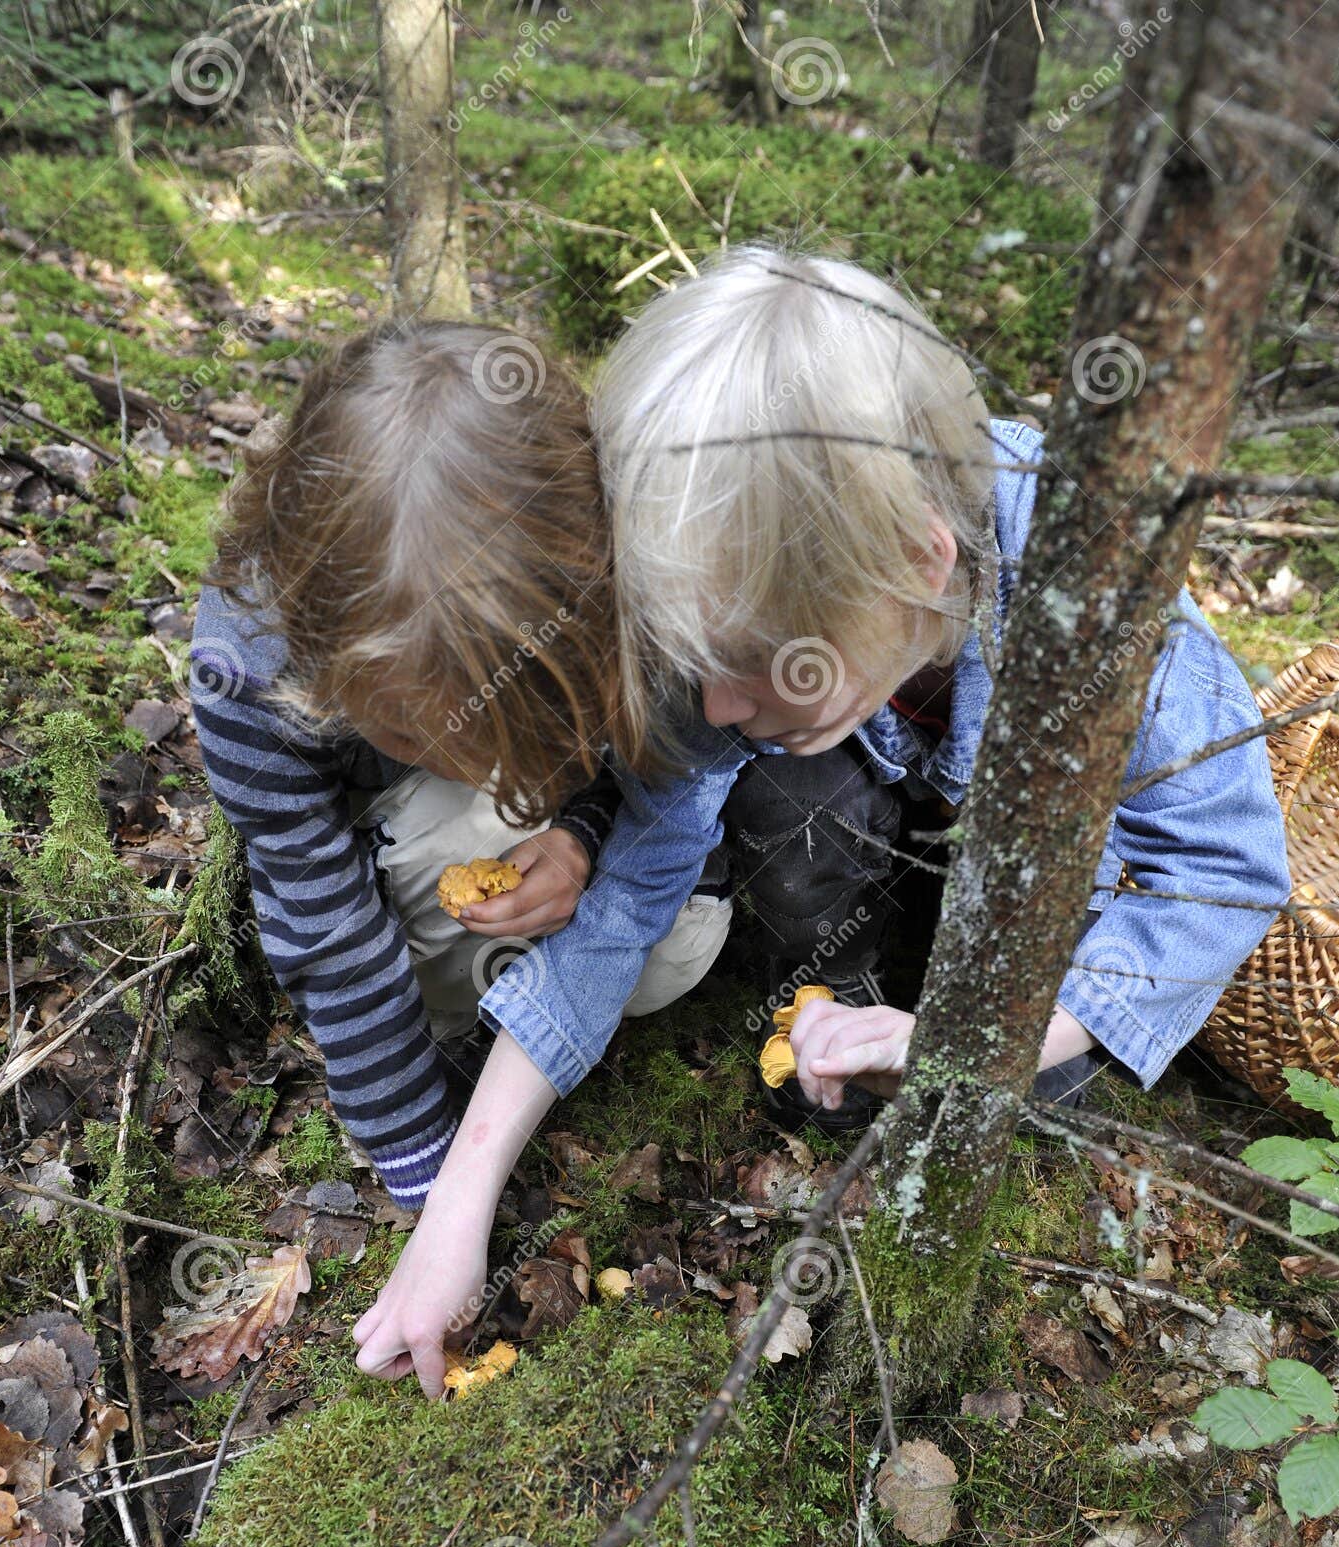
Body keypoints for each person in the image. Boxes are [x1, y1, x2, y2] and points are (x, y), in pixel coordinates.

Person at [590, 243, 1292, 1124]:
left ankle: (971, 1025)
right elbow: (647, 847)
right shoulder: (726, 573)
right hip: (868, 835)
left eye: (761, 657)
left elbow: (1225, 863)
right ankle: (831, 1001)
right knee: (783, 774)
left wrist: (997, 1043)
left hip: (1031, 898)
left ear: (924, 560)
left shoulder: (1095, 569)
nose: (717, 707)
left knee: (1037, 1090)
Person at [190, 320, 732, 1396]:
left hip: (552, 790)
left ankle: (514, 1006)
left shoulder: (612, 573)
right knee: (446, 840)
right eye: (421, 728)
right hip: (392, 831)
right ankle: (459, 1032)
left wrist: (578, 833)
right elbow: (325, 923)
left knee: (681, 947)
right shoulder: (245, 669)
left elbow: (637, 746)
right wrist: (427, 1181)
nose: (477, 759)